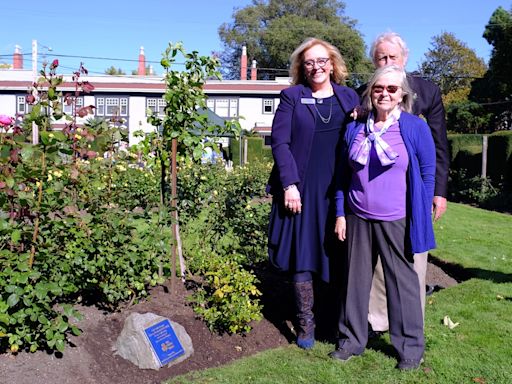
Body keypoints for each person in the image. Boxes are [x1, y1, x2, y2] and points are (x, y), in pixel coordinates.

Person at [330, 65, 436, 370]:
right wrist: (340, 214)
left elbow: (428, 173)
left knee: (403, 285)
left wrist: (421, 211)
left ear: (402, 94)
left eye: (392, 89)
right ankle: (351, 340)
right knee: (354, 282)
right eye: (379, 88)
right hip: (358, 215)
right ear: (370, 92)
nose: (385, 94)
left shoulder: (415, 127)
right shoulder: (355, 128)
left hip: (397, 218)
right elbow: (341, 176)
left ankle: (410, 350)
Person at [266, 38, 359, 349]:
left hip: (338, 190)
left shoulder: (349, 98)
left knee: (335, 253)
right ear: (301, 68)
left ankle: (333, 320)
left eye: (322, 60)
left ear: (332, 64)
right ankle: (305, 324)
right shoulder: (292, 97)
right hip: (302, 189)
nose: (316, 66)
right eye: (309, 62)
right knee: (303, 257)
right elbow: (279, 143)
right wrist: (289, 184)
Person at [357, 32, 450, 335]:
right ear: (374, 62)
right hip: (376, 191)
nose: (386, 62)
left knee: (413, 256)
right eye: (381, 58)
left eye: (392, 57)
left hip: (414, 188)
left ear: (404, 59)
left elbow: (439, 146)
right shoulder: (366, 92)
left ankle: (411, 322)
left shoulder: (427, 91)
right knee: (378, 266)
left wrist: (439, 192)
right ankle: (379, 320)